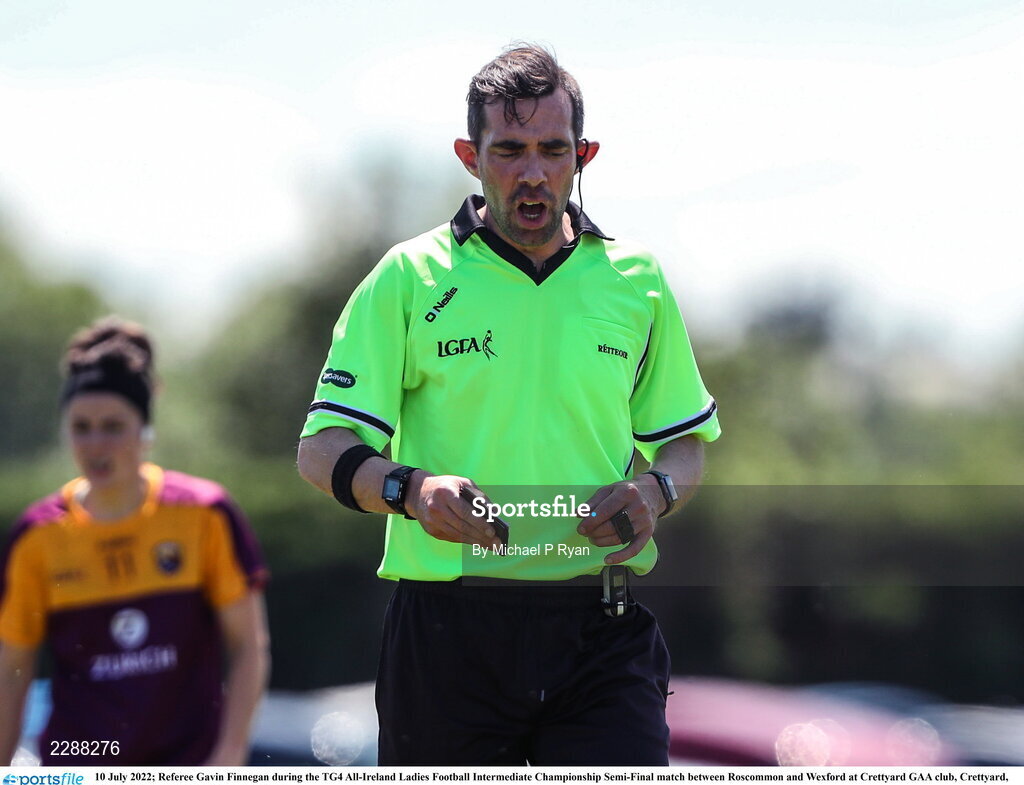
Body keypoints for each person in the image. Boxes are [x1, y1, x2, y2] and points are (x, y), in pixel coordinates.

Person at [297, 44, 720, 765]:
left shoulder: (635, 279)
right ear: (470, 154)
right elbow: (322, 451)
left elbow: (686, 443)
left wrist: (656, 490)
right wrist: (411, 489)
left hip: (600, 626)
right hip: (447, 633)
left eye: (554, 150)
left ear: (583, 153)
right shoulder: (409, 276)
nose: (532, 172)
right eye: (510, 150)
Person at [0, 317, 270, 766]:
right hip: (77, 765)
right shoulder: (37, 536)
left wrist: (228, 757)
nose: (96, 443)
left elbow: (248, 648)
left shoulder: (204, 515)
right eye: (81, 427)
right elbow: (12, 671)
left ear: (146, 431)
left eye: (113, 426)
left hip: (186, 765)